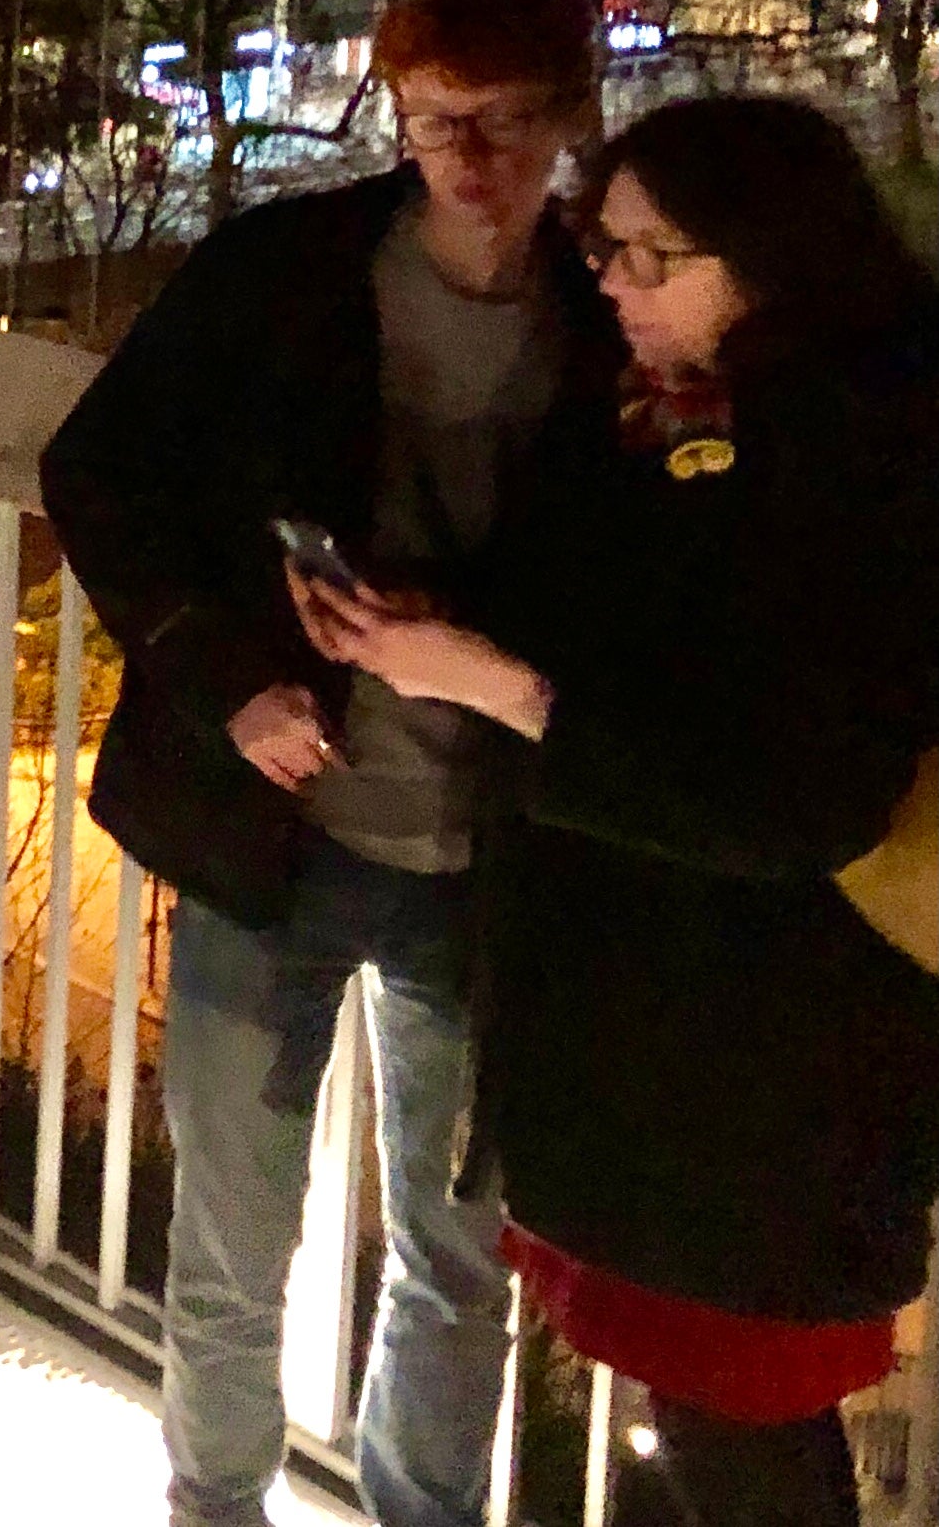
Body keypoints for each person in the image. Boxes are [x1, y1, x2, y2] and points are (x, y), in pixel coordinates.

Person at [301, 98, 939, 1527]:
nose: (612, 282)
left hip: (767, 1057)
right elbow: (588, 623)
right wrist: (436, 626)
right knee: (697, 1418)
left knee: (744, 1436)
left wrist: (505, 693)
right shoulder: (658, 408)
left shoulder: (865, 456)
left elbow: (800, 798)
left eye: (656, 256)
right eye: (607, 249)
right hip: (644, 1036)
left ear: (776, 263)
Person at [43, 0, 615, 1527]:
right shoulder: (285, 270)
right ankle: (212, 1510)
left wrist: (475, 630)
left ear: (571, 119)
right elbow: (99, 467)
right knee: (234, 1247)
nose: (473, 162)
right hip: (274, 831)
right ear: (399, 118)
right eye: (439, 124)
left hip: (493, 851)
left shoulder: (614, 317)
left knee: (459, 1261)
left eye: (507, 124)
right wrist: (227, 674)